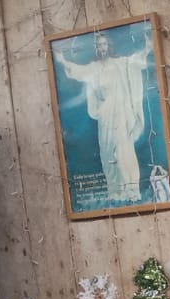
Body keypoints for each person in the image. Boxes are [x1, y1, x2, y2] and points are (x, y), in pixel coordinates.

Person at [55, 31, 152, 204]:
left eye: (104, 44)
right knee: (108, 152)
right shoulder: (95, 68)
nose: (102, 48)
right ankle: (116, 192)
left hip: (121, 114)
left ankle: (130, 190)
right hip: (106, 116)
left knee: (123, 150)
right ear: (96, 48)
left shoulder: (119, 64)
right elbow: (79, 71)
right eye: (99, 45)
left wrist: (147, 49)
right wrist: (62, 60)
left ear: (109, 46)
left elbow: (134, 62)